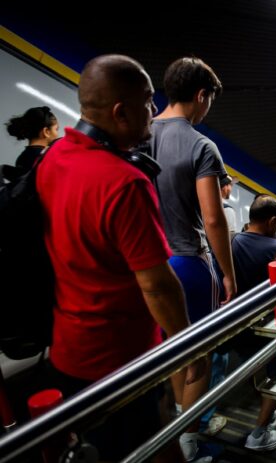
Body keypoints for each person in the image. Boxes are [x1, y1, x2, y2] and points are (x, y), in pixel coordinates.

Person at [36, 54, 203, 462]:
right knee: (148, 447)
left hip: (67, 350)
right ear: (120, 112)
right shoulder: (125, 183)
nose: (153, 110)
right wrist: (190, 347)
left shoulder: (53, 157)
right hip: (119, 360)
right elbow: (157, 286)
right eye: (146, 101)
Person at [150, 56, 236, 460]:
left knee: (170, 350)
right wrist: (228, 273)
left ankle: (171, 428)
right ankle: (187, 441)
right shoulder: (202, 145)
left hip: (151, 263)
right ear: (201, 95)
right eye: (210, 101)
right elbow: (214, 219)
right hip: (189, 263)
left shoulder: (140, 133)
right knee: (199, 359)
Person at [229, 194, 276, 451]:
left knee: (257, 373)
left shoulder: (232, 242)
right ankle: (259, 434)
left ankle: (269, 416)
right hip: (267, 329)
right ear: (272, 221)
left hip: (237, 326)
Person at [5, 106, 60, 177]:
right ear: (46, 131)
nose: (57, 134)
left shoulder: (22, 157)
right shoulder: (46, 157)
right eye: (56, 129)